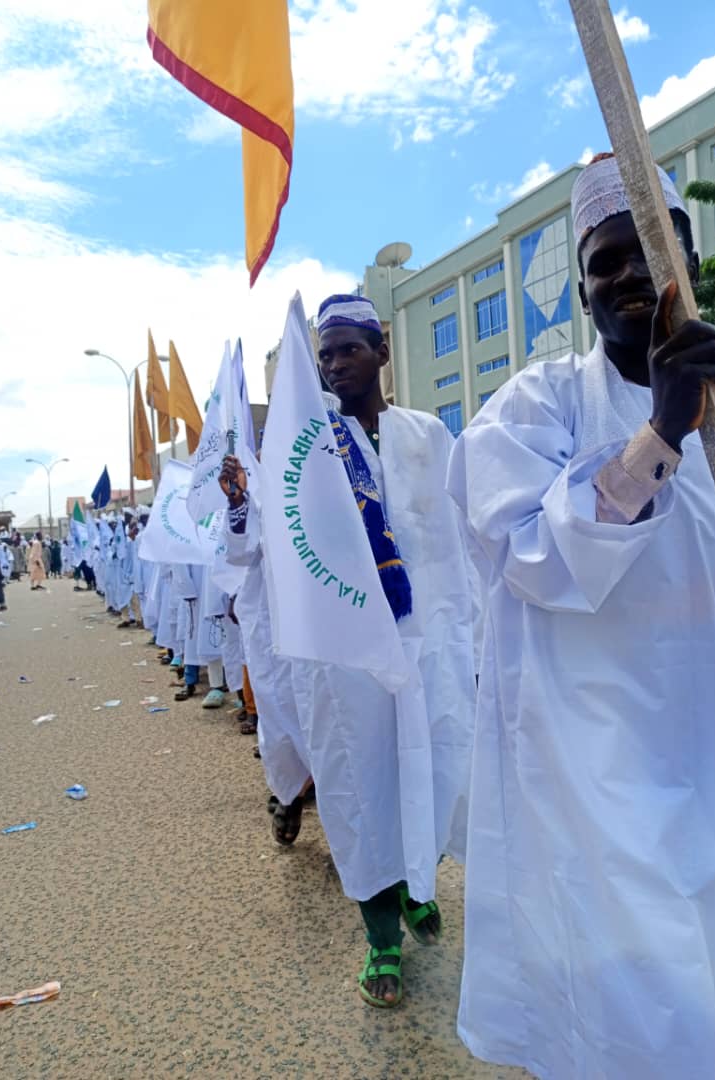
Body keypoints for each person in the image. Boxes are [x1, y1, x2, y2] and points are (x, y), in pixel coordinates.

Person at [447, 153, 715, 1080]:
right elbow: (534, 559)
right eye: (604, 260)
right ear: (584, 292)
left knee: (706, 992)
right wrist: (660, 432)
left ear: (691, 268)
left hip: (710, 765)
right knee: (636, 1021)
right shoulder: (530, 410)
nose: (629, 274)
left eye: (649, 252)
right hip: (588, 774)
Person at [224, 294, 477, 1008]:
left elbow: (462, 540)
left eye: (348, 348)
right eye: (325, 353)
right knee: (361, 786)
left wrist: (472, 637)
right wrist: (243, 502)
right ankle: (380, 941)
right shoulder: (304, 450)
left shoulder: (427, 436)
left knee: (434, 768)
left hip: (430, 641)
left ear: (381, 351)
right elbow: (254, 552)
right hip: (348, 659)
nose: (336, 364)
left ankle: (417, 886)